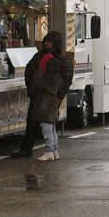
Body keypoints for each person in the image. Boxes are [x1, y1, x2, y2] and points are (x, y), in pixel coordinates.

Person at [29, 31, 72, 161]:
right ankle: (54, 150)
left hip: (46, 96)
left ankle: (49, 150)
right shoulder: (62, 60)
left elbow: (39, 76)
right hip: (53, 96)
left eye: (48, 42)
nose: (45, 45)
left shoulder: (46, 59)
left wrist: (34, 88)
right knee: (51, 122)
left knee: (46, 122)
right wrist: (60, 94)